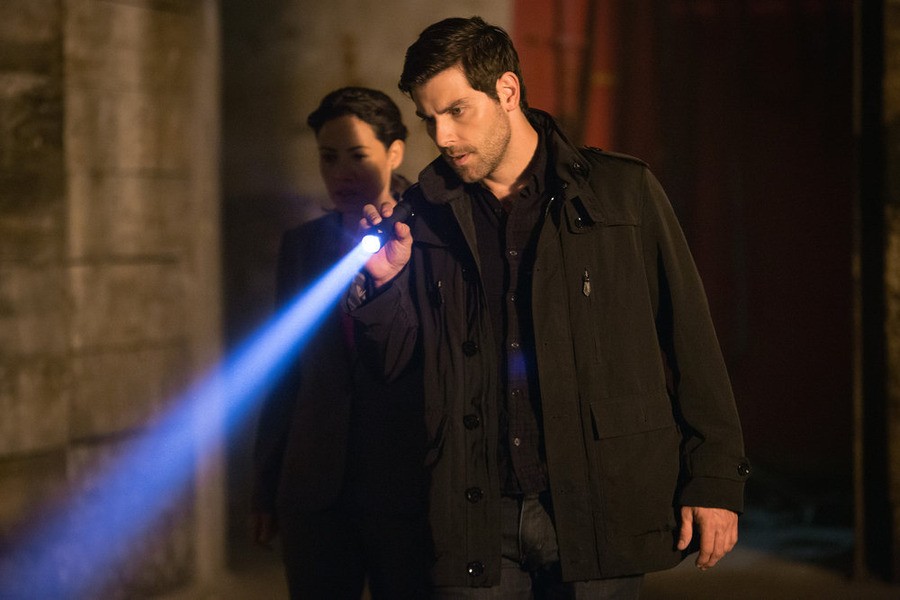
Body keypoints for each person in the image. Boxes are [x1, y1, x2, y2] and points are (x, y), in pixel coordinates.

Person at [347, 16, 751, 599]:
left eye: (457, 110)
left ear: (507, 91)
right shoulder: (422, 216)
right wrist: (383, 288)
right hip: (473, 512)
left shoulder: (622, 192)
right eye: (428, 118)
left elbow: (690, 338)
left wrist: (715, 478)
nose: (443, 136)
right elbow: (395, 368)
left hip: (597, 501)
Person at [251, 86, 431, 600]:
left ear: (395, 152)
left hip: (406, 486)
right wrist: (266, 485)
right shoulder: (304, 244)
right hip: (315, 487)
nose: (341, 173)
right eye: (328, 158)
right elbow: (285, 371)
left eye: (357, 156)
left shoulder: (432, 235)